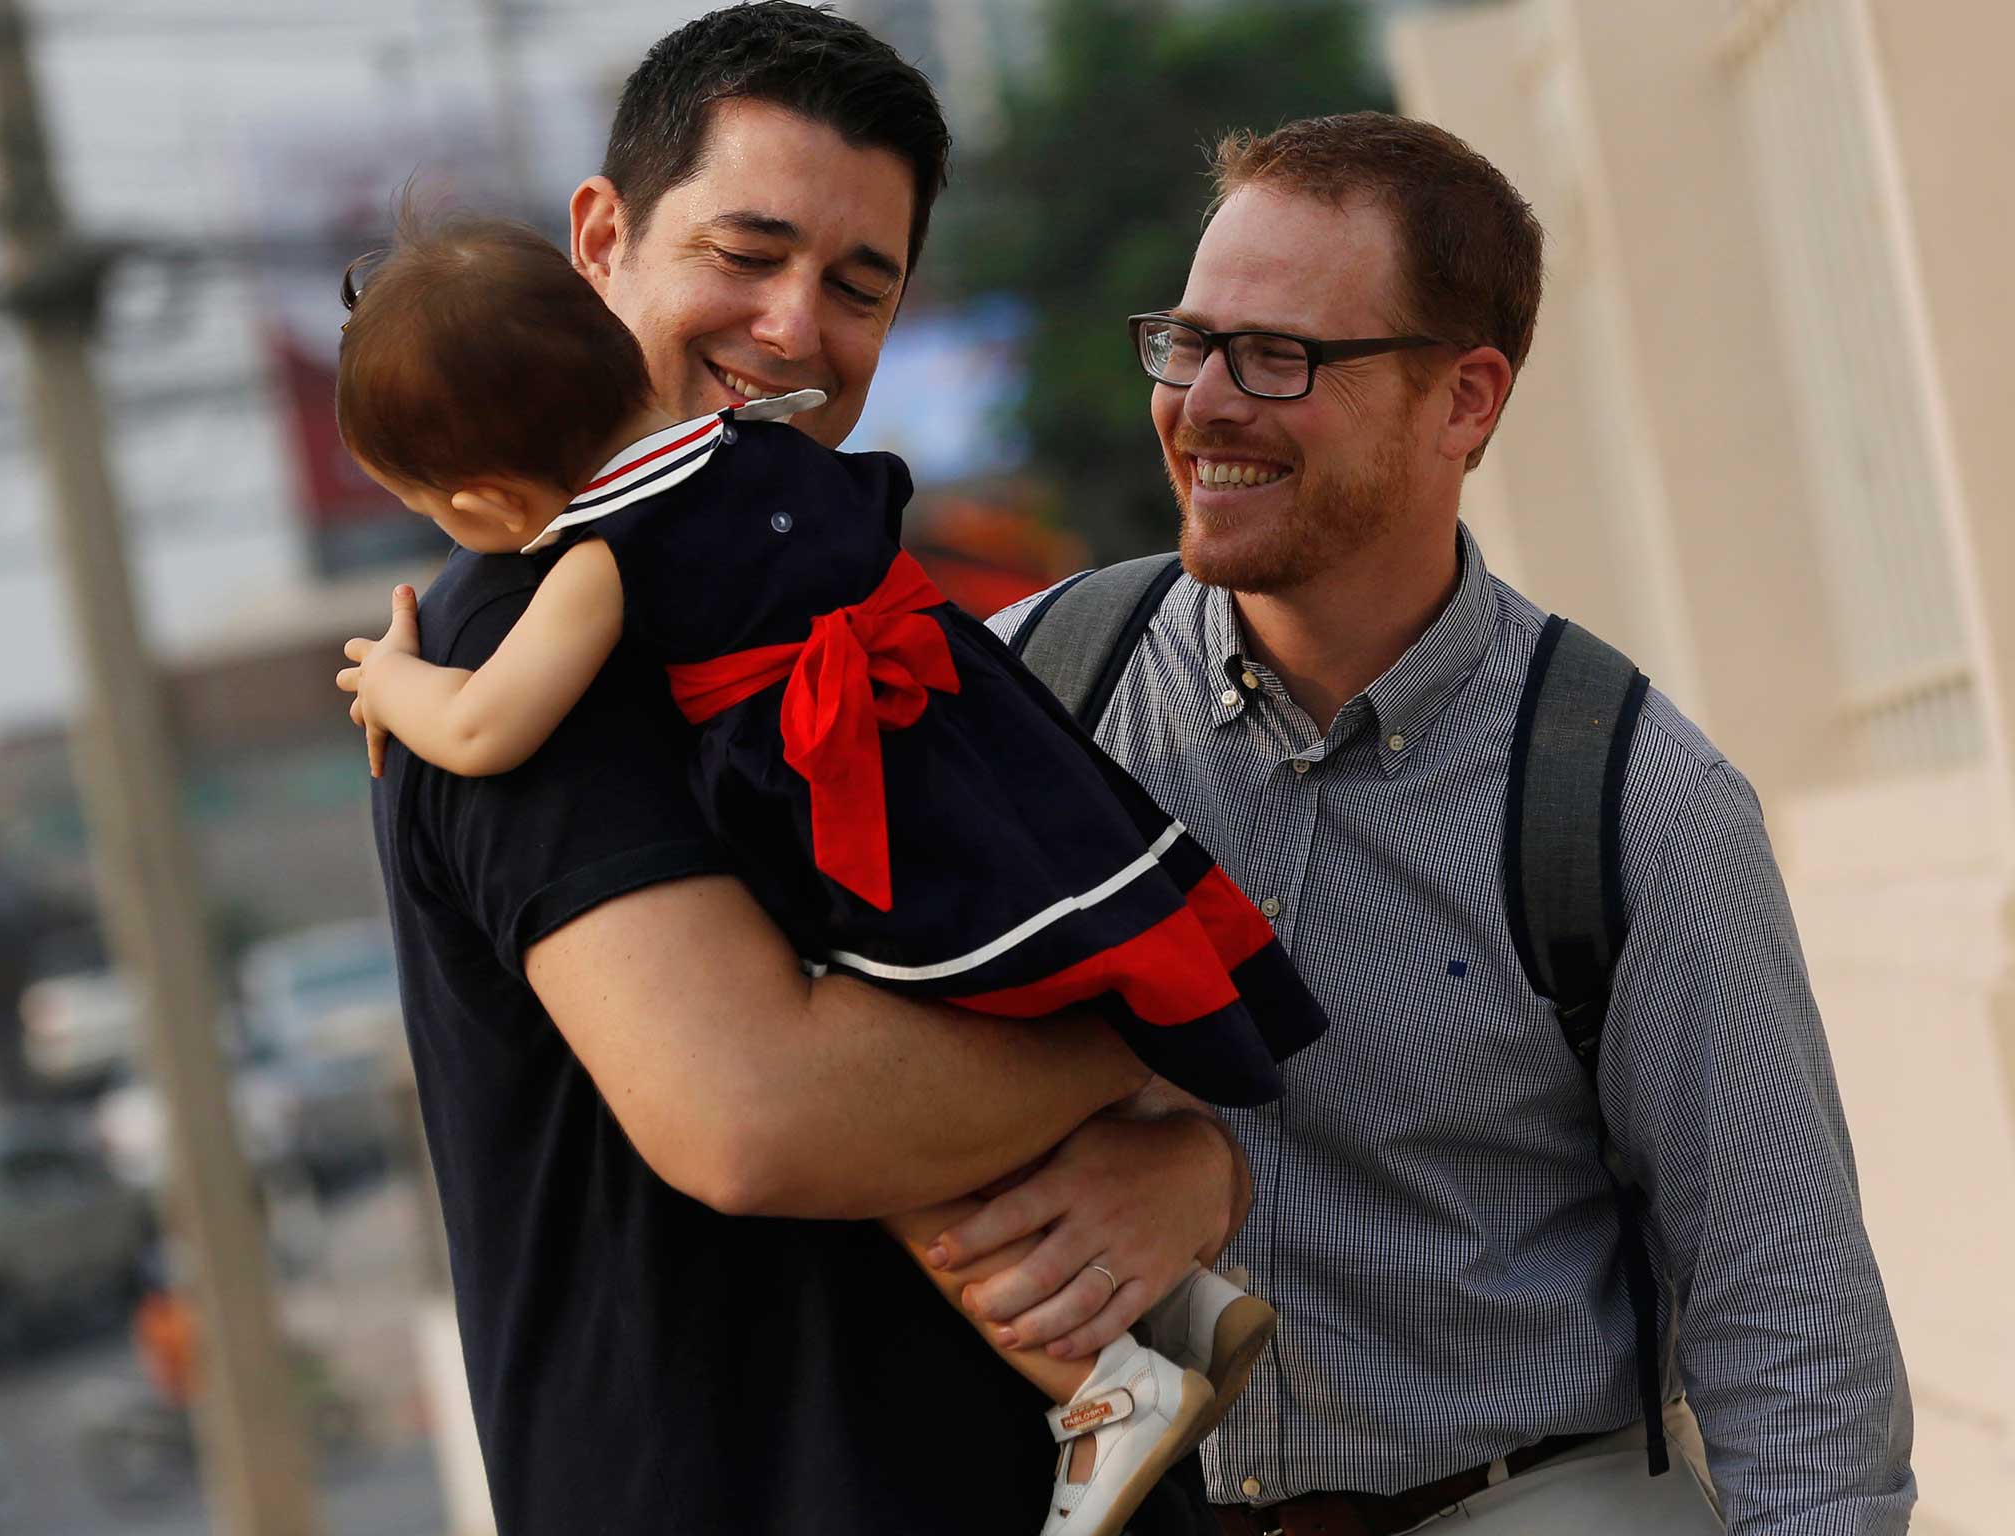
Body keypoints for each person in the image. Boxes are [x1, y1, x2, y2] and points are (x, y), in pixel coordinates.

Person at [943, 113, 1916, 1534]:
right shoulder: (1031, 698)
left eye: (1280, 357)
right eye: (1188, 341)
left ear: (1466, 400)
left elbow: (1788, 1313)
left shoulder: (1633, 802)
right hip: (1119, 1496)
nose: (1203, 402)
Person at [343, 7, 1246, 1534]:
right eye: (745, 253)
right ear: (601, 235)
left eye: (856, 285)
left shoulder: (796, 581)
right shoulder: (529, 626)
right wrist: (1154, 1032)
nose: (789, 328)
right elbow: (754, 1117)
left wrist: (1194, 1170)